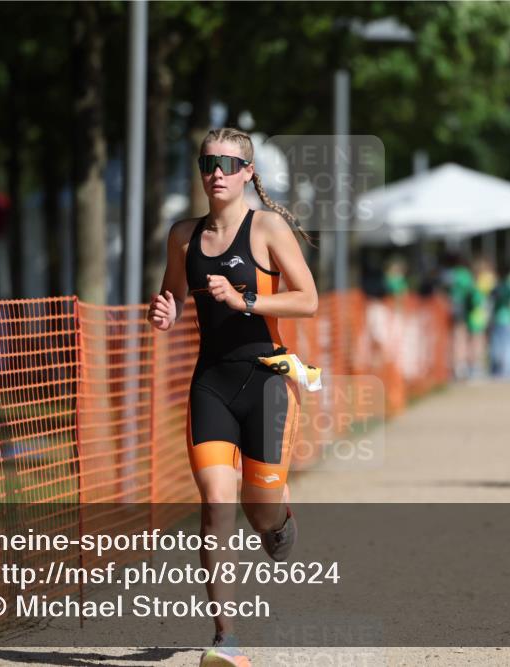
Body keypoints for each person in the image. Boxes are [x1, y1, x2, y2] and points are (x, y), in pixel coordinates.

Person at [147, 127, 318, 667]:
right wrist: (168, 312)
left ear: (248, 173)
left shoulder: (266, 227)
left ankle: (278, 520)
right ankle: (226, 641)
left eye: (227, 162)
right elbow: (174, 292)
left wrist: (245, 301)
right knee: (216, 506)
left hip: (267, 381)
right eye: (207, 162)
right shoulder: (182, 235)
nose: (215, 171)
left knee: (257, 509)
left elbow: (308, 299)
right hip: (211, 384)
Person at [488, 259, 510, 378]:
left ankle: (496, 368)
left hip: (497, 319)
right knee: (509, 345)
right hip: (509, 319)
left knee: (496, 344)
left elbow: (490, 305)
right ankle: (508, 369)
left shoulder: (495, 287)